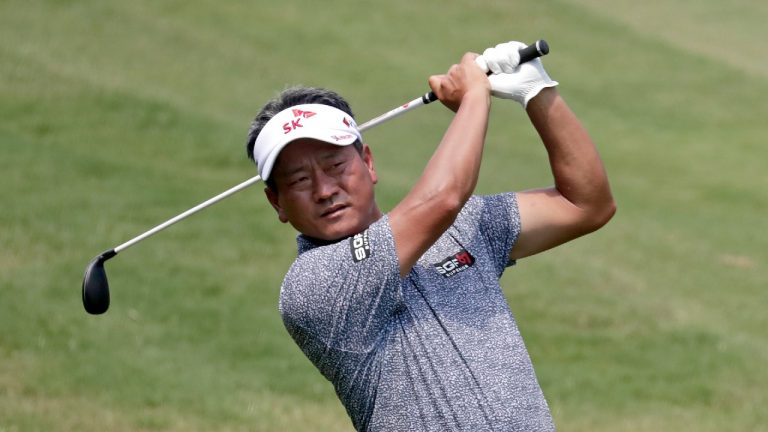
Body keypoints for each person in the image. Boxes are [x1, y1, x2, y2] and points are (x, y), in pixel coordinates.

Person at [245, 41, 615, 431]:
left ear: (368, 162)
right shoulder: (312, 285)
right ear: (277, 203)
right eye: (299, 180)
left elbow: (587, 205)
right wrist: (474, 96)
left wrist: (537, 93)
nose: (324, 190)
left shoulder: (461, 227)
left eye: (335, 165)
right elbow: (442, 198)